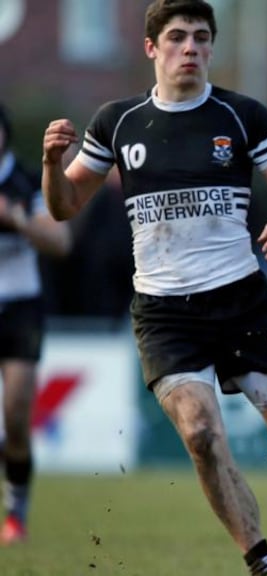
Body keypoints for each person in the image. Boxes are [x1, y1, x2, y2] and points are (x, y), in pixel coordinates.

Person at [40, 2, 267, 574]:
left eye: (200, 37)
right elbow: (65, 206)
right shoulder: (117, 123)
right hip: (166, 313)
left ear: (212, 48)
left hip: (242, 300)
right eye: (176, 37)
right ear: (152, 48)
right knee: (199, 433)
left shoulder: (241, 116)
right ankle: (261, 559)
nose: (189, 47)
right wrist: (51, 164)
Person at [0, 104, 72, 545]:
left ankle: (16, 512)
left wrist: (17, 219)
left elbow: (61, 242)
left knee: (16, 418)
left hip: (21, 310)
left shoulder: (25, 182)